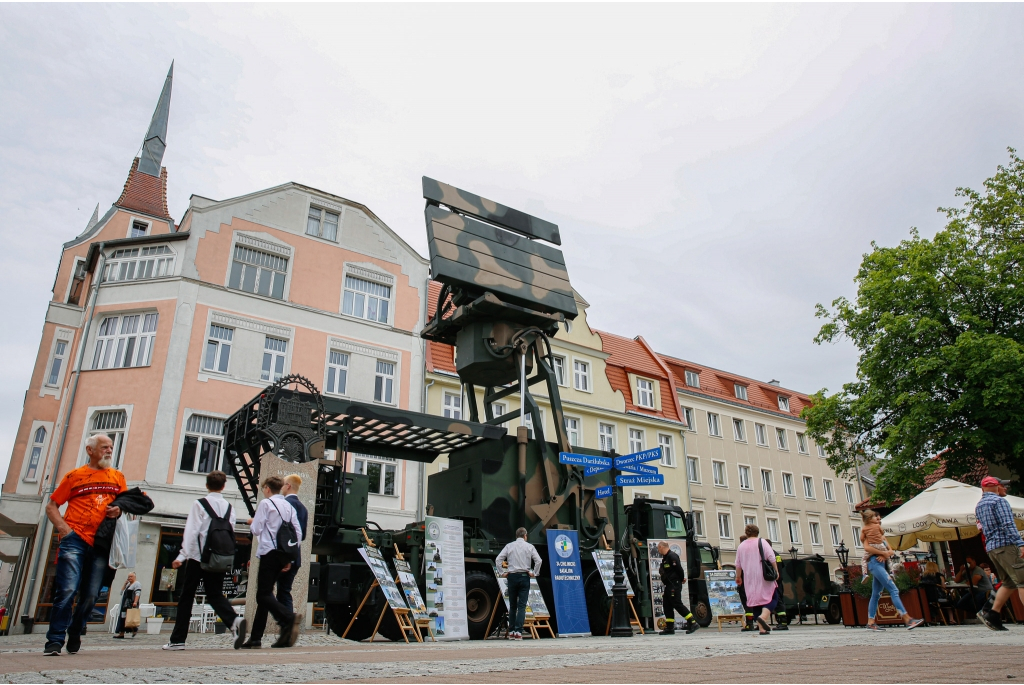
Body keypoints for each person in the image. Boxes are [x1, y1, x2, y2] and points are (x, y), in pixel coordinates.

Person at [43, 434, 127, 656]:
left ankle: (76, 628)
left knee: (91, 595)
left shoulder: (117, 477)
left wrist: (119, 509)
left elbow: (125, 503)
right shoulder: (74, 476)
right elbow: (52, 506)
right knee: (68, 589)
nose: (109, 450)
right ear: (90, 450)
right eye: (104, 447)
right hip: (75, 539)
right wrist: (64, 530)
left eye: (111, 447)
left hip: (101, 543)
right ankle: (55, 640)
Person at [163, 470, 247, 650]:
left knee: (186, 596)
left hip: (197, 557)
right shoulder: (229, 508)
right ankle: (234, 620)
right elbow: (230, 532)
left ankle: (178, 640)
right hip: (219, 557)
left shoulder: (199, 504)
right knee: (215, 594)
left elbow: (192, 531)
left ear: (207, 485)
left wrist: (182, 556)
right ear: (224, 486)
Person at [243, 473, 308, 649]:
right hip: (283, 554)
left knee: (263, 594)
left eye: (263, 488)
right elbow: (298, 533)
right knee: (266, 595)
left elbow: (256, 529)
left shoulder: (266, 503)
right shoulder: (288, 507)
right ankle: (255, 637)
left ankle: (288, 617)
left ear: (267, 488)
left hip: (269, 552)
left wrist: (252, 521)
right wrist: (289, 556)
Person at [859, 510, 924, 631]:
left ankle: (871, 622)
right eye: (876, 518)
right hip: (875, 563)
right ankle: (907, 619)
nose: (878, 520)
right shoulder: (868, 534)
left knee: (876, 594)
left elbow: (891, 551)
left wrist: (884, 555)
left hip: (882, 564)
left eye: (879, 519)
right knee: (894, 590)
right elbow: (867, 547)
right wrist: (883, 553)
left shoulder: (882, 536)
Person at [974, 476, 1024, 631]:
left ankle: (992, 614)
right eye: (1003, 486)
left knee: (1008, 582)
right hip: (1006, 545)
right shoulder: (999, 501)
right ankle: (991, 613)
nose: (1005, 488)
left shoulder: (979, 505)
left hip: (992, 548)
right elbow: (1008, 524)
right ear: (995, 487)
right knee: (1023, 581)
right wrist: (1020, 543)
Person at [495, 527, 542, 640]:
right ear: (525, 536)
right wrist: (534, 573)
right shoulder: (530, 547)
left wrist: (502, 573)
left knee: (512, 606)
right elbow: (539, 560)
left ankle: (511, 631)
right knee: (522, 606)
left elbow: (498, 560)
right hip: (524, 576)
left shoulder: (509, 546)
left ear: (516, 536)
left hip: (512, 577)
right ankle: (518, 632)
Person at [734, 525, 779, 635]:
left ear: (747, 533)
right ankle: (763, 617)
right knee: (773, 596)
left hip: (749, 578)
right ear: (757, 532)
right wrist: (776, 571)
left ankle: (762, 629)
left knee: (756, 602)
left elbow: (738, 564)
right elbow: (771, 557)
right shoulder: (762, 542)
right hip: (763, 575)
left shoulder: (741, 546)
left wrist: (738, 577)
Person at [656, 541, 698, 635]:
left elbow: (679, 569)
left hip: (674, 584)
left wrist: (681, 578)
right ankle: (670, 627)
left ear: (661, 547)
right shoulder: (665, 558)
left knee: (677, 603)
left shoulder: (672, 556)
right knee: (667, 604)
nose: (658, 551)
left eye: (659, 549)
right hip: (669, 585)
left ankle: (692, 622)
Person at [113, 572, 142, 638]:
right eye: (128, 577)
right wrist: (124, 584)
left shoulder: (137, 584)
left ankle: (134, 629)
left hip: (130, 603)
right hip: (124, 603)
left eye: (131, 576)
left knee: (129, 617)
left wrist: (135, 602)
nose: (129, 578)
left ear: (135, 577)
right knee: (123, 618)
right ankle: (121, 633)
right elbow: (121, 593)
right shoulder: (128, 584)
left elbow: (138, 593)